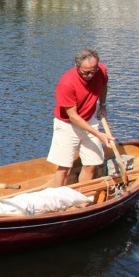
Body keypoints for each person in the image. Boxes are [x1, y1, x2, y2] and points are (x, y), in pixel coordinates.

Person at [47, 48, 116, 186]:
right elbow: (73, 117)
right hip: (67, 124)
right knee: (64, 167)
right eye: (86, 72)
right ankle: (56, 202)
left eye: (93, 70)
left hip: (89, 119)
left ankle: (83, 198)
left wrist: (102, 105)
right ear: (77, 66)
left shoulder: (101, 70)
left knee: (92, 164)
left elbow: (103, 86)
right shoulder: (67, 83)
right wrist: (99, 135)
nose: (90, 75)